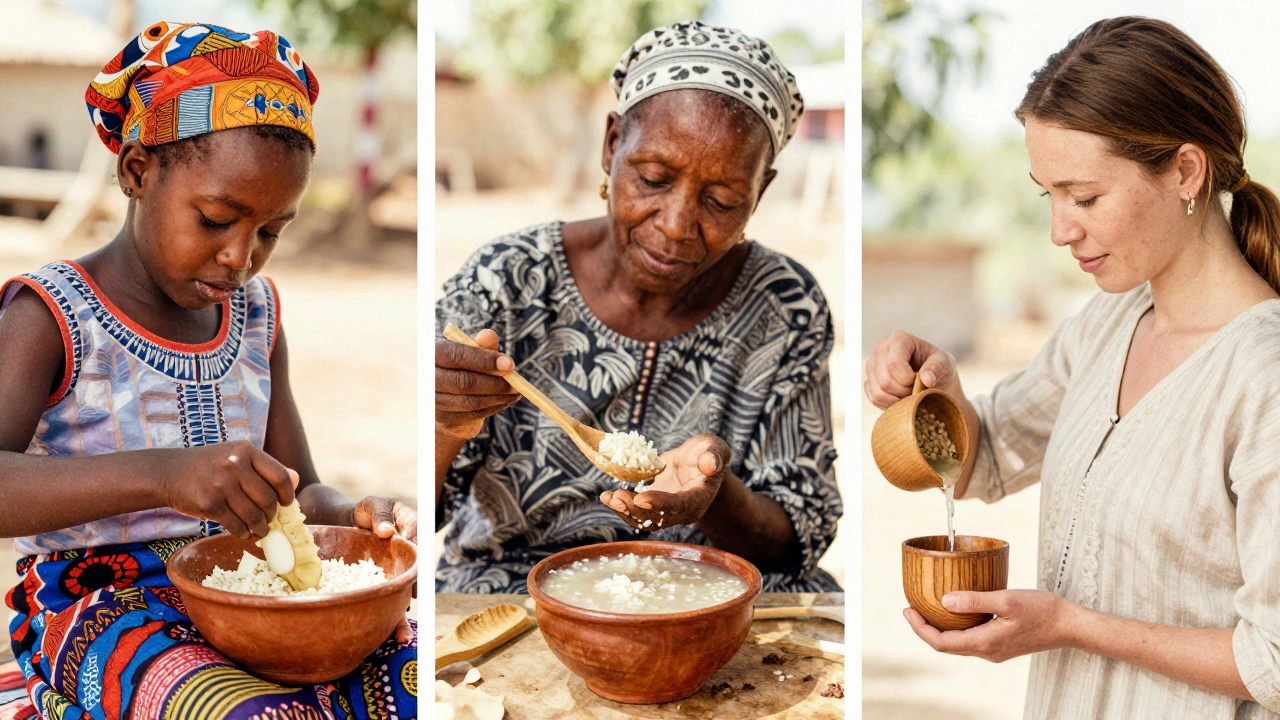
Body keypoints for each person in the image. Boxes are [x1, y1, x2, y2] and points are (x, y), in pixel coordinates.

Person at [865, 17, 1280, 718]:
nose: (1060, 230)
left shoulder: (1261, 378)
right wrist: (938, 387)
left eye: (1085, 198)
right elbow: (986, 455)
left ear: (1185, 171)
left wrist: (1069, 626)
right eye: (1047, 195)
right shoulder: (1108, 324)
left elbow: (1273, 660)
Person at [0, 22, 417, 720]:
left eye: (270, 232)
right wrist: (167, 474)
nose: (240, 256)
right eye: (218, 218)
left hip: (251, 594)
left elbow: (300, 490)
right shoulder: (50, 316)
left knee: (404, 679)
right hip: (100, 608)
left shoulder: (255, 318)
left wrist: (351, 514)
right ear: (137, 172)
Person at [436, 20, 842, 594]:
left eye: (721, 201)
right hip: (516, 583)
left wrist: (715, 493)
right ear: (611, 145)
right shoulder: (505, 282)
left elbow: (799, 539)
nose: (676, 226)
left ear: (761, 191)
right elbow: (417, 516)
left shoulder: (785, 305)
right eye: (653, 178)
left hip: (709, 585)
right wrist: (445, 426)